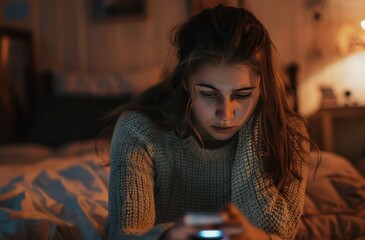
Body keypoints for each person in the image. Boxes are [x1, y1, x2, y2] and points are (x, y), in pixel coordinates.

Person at [105, 4, 313, 240]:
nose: (225, 113)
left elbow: (281, 234)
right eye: (209, 94)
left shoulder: (287, 133)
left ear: (262, 86)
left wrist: (255, 133)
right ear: (185, 81)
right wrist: (170, 237)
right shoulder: (139, 131)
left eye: (242, 95)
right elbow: (124, 236)